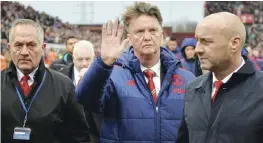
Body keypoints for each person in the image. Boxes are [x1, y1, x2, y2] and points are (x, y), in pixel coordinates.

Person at [76, 2, 195, 143]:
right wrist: (104, 63)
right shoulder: (111, 75)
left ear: (162, 35)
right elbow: (84, 100)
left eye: (153, 30)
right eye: (140, 31)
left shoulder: (187, 78)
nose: (147, 37)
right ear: (129, 38)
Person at [176, 12, 263, 143]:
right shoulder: (193, 89)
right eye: (197, 41)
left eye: (206, 41)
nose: (197, 49)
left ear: (234, 43)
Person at [1, 19, 90, 143]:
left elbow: (79, 136)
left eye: (31, 45)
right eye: (18, 45)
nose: (25, 52)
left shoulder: (64, 86)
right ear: (10, 48)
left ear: (42, 48)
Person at [60, 40, 102, 142]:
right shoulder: (60, 77)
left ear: (94, 58)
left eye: (88, 59)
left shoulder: (103, 76)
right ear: (73, 59)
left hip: (95, 134)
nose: (84, 63)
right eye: (80, 59)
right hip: (67, 134)